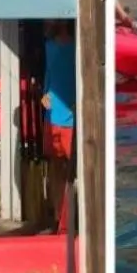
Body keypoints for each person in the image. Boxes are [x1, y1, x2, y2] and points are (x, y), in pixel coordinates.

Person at [41, 19, 77, 229]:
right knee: (56, 167)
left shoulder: (77, 45)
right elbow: (48, 74)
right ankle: (58, 215)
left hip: (72, 117)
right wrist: (44, 94)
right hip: (53, 115)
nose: (48, 22)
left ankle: (70, 215)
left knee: (71, 168)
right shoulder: (48, 45)